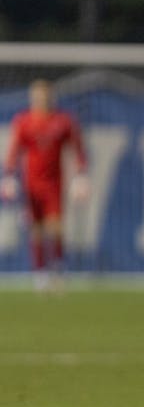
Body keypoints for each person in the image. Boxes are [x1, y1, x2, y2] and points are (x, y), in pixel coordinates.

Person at [1, 79, 88, 291]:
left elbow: (77, 149)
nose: (42, 100)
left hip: (55, 183)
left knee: (56, 227)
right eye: (38, 96)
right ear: (32, 98)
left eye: (45, 96)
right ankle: (40, 273)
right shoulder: (24, 121)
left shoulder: (63, 121)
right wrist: (9, 176)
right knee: (36, 230)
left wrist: (80, 175)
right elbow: (14, 151)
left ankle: (58, 267)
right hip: (32, 184)